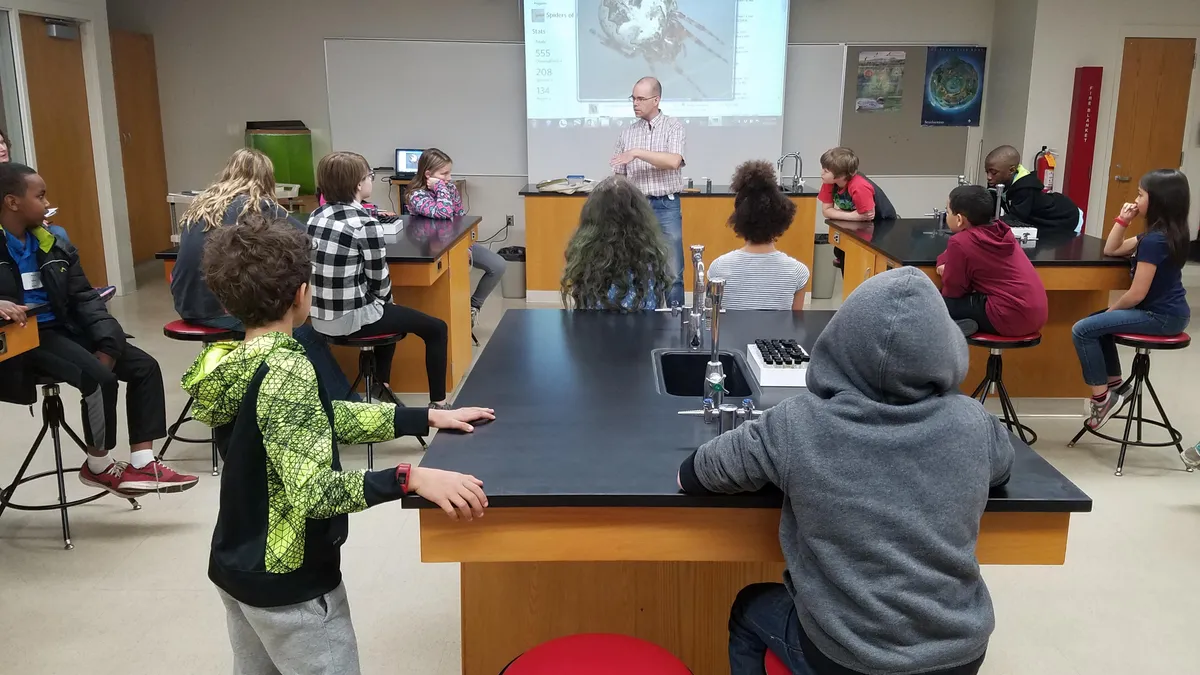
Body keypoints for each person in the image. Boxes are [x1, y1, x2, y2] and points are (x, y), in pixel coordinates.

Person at [186, 213, 495, 675]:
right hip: (289, 582)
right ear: (301, 293)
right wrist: (408, 477)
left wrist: (425, 416)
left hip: (236, 565)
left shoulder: (238, 360)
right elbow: (316, 492)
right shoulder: (288, 370)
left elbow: (323, 417)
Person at [678, 267, 1013, 675]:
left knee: (749, 608)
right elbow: (1001, 467)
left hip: (846, 657)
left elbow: (697, 473)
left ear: (839, 342)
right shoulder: (972, 422)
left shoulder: (797, 423)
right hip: (959, 655)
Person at [0, 163, 197, 494]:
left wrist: (108, 343)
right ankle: (98, 466)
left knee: (144, 367)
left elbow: (84, 297)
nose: (48, 204)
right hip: (26, 340)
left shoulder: (53, 241)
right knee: (99, 379)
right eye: (41, 196)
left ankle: (142, 463)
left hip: (63, 327)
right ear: (12, 202)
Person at [172, 148, 353, 399]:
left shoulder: (202, 206)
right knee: (304, 334)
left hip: (186, 305)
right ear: (266, 178)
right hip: (221, 312)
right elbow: (307, 241)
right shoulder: (256, 204)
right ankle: (344, 403)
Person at [309, 151, 456, 409]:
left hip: (318, 318)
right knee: (436, 327)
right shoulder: (365, 224)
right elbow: (380, 282)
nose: (371, 181)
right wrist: (389, 304)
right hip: (349, 320)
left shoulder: (316, 216)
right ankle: (439, 404)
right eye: (370, 176)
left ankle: (381, 384)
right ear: (358, 184)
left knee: (387, 310)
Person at [1072, 169, 1191, 430]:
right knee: (1096, 324)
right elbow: (1111, 249)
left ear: (1158, 200)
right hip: (1170, 314)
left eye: (1140, 195)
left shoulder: (1154, 242)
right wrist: (1123, 220)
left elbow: (1137, 294)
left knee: (1083, 329)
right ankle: (1115, 387)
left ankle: (1102, 399)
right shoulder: (1164, 235)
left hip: (1160, 317)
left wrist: (1110, 314)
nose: (1135, 202)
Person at [404, 148, 506, 327]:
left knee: (498, 265)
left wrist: (466, 246)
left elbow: (459, 217)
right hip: (432, 250)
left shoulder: (449, 188)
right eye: (444, 174)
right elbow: (443, 213)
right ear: (428, 174)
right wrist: (440, 187)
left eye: (449, 173)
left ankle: (473, 307)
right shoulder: (416, 195)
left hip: (455, 243)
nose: (449, 178)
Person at [610, 76, 686, 306]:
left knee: (672, 271)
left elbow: (673, 161)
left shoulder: (673, 126)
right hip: (636, 208)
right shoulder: (627, 133)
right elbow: (620, 175)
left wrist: (637, 153)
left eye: (641, 98)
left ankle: (676, 324)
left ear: (656, 100)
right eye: (633, 98)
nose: (635, 103)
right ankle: (644, 322)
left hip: (666, 206)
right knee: (638, 269)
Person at [936, 185, 1048, 337]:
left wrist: (944, 266)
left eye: (948, 211)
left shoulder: (960, 242)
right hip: (1037, 316)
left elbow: (954, 290)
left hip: (1007, 317)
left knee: (936, 303)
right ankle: (960, 323)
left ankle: (957, 326)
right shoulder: (1001, 231)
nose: (946, 214)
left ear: (959, 219)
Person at [707, 160, 809, 310]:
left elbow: (712, 320)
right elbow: (794, 326)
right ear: (781, 218)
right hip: (776, 335)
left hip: (731, 334)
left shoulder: (718, 267)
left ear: (739, 218)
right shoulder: (798, 271)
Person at [561, 175, 671, 311]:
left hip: (593, 329)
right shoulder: (650, 257)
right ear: (641, 216)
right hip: (643, 330)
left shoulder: (585, 257)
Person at [818, 147, 897, 272]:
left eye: (826, 171)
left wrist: (839, 213)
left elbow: (868, 216)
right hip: (858, 222)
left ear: (842, 175)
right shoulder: (828, 182)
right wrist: (853, 216)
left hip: (881, 226)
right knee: (841, 252)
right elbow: (826, 210)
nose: (821, 172)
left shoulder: (859, 186)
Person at [984, 145, 1081, 234]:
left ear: (1012, 170)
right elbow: (990, 211)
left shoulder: (1025, 189)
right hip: (1042, 219)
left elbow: (1015, 219)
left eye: (993, 172)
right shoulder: (996, 182)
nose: (989, 177)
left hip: (1066, 215)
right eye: (987, 172)